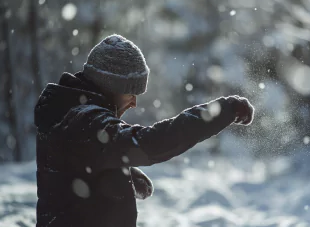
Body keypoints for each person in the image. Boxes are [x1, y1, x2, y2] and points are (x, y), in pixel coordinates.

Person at [34, 34, 255, 227]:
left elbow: (77, 163)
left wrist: (115, 173)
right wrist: (221, 112)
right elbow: (152, 142)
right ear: (110, 85)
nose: (133, 103)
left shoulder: (71, 116)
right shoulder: (86, 122)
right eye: (130, 92)